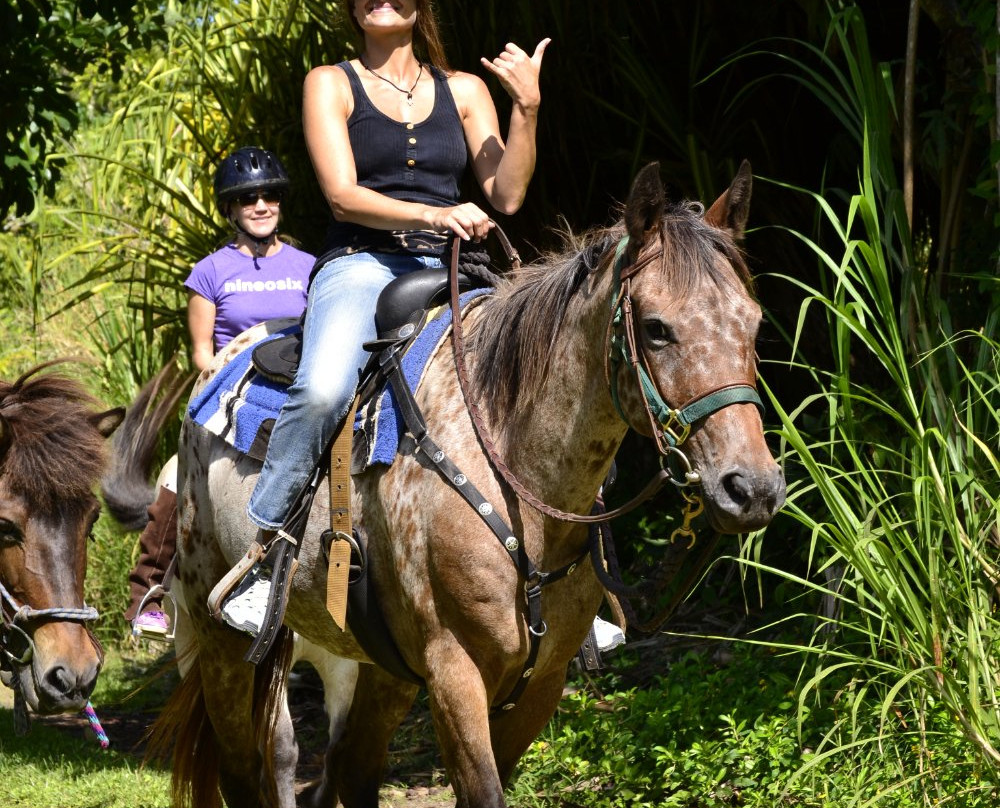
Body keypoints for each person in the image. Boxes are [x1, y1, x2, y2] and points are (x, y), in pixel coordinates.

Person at [217, 0, 549, 634]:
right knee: (322, 390)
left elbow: (506, 193)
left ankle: (584, 578)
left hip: (456, 265)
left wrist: (526, 109)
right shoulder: (330, 82)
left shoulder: (466, 89)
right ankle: (263, 557)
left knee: (543, 369)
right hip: (363, 263)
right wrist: (432, 215)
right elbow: (342, 195)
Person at [127, 146, 314, 639]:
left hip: (297, 385)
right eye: (247, 198)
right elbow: (201, 353)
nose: (260, 206)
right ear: (230, 208)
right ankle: (151, 591)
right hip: (235, 388)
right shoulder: (210, 272)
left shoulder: (309, 266)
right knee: (175, 475)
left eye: (269, 196)